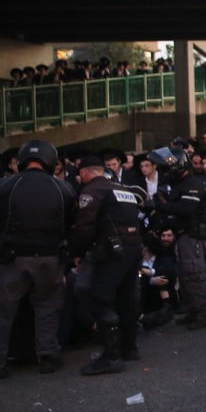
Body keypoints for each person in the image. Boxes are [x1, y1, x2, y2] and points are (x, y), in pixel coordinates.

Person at [0, 140, 77, 378]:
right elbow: (71, 226)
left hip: (11, 260)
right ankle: (48, 356)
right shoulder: (63, 189)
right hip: (49, 259)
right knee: (47, 309)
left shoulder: (3, 187)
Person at [71, 153, 145, 375]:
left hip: (111, 250)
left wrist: (76, 251)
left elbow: (84, 226)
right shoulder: (122, 188)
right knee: (126, 298)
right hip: (133, 249)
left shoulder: (93, 190)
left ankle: (111, 356)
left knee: (101, 299)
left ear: (85, 173)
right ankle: (129, 348)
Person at [151, 150, 206, 329]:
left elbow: (186, 208)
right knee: (185, 276)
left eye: (166, 170)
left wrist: (162, 206)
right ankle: (194, 311)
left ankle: (204, 314)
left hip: (192, 236)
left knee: (195, 275)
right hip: (183, 235)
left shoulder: (193, 183)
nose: (164, 174)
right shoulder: (180, 184)